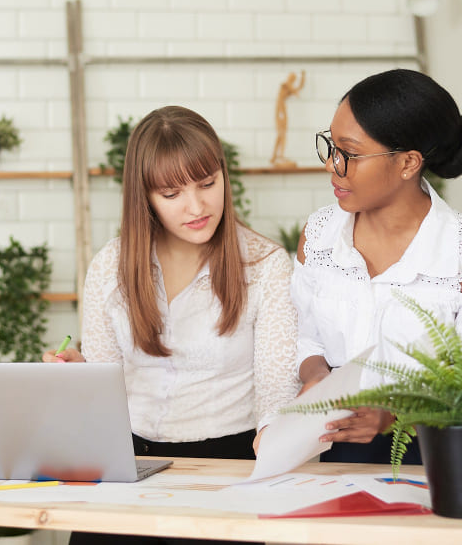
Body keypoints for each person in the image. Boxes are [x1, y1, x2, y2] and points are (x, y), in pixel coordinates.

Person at [43, 106, 299, 545]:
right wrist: (77, 371)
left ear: (224, 177)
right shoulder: (111, 265)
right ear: (144, 196)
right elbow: (105, 378)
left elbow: (277, 389)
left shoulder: (265, 265)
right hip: (126, 463)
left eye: (207, 184)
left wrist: (277, 445)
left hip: (230, 465)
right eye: (172, 193)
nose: (197, 206)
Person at [293, 69, 462, 465]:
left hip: (433, 459)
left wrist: (392, 417)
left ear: (408, 163)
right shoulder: (319, 236)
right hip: (325, 453)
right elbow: (305, 336)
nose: (332, 165)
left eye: (350, 153)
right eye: (332, 146)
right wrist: (314, 374)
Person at [270, 70, 305, 168]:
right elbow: (295, 90)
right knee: (281, 135)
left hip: (282, 112)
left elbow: (299, 88)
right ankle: (278, 156)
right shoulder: (285, 85)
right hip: (280, 113)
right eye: (293, 79)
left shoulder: (288, 88)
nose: (293, 81)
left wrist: (303, 77)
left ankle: (276, 156)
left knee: (281, 135)